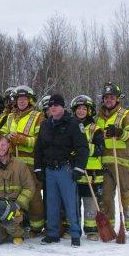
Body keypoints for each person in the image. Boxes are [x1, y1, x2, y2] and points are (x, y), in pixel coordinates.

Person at [34, 94, 88, 247]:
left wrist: (79, 168)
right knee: (51, 204)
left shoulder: (74, 123)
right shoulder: (45, 125)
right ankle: (52, 233)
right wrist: (38, 168)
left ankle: (75, 234)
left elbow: (83, 148)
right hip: (50, 169)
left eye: (56, 105)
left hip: (66, 169)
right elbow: (38, 148)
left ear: (63, 107)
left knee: (71, 204)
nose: (53, 108)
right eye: (51, 106)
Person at [96, 82, 129, 239]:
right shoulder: (99, 117)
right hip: (105, 163)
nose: (109, 100)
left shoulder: (126, 114)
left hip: (122, 162)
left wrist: (120, 132)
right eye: (106, 97)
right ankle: (108, 226)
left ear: (117, 99)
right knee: (106, 196)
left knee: (127, 193)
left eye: (112, 97)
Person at [6, 85, 45, 236]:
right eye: (19, 99)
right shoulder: (9, 117)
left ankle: (37, 227)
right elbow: (2, 135)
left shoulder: (37, 116)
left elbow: (40, 140)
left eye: (24, 99)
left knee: (33, 195)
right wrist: (7, 138)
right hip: (12, 163)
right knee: (14, 194)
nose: (21, 101)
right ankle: (19, 224)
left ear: (29, 100)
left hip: (29, 163)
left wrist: (22, 140)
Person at [0, 135, 36, 245]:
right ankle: (4, 231)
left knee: (12, 223)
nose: (0, 148)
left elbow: (29, 188)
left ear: (8, 145)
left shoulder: (20, 165)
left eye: (3, 145)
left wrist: (18, 204)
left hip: (15, 206)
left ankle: (19, 233)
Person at [71, 95, 105, 241]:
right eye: (78, 108)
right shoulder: (71, 126)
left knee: (90, 202)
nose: (81, 111)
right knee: (75, 202)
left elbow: (100, 149)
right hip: (76, 171)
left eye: (84, 108)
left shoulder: (95, 128)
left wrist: (83, 149)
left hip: (92, 172)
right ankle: (75, 228)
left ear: (89, 111)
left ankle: (91, 230)